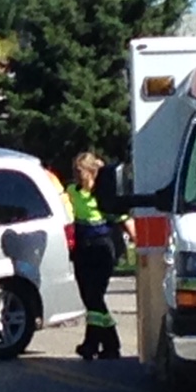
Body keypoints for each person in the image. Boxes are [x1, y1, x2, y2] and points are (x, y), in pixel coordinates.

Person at [66, 152, 134, 361]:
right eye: (75, 172)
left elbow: (124, 219)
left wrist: (138, 242)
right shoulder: (71, 191)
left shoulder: (104, 194)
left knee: (95, 297)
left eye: (80, 172)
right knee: (91, 299)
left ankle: (92, 344)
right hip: (82, 250)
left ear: (91, 172)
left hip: (102, 248)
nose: (77, 177)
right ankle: (109, 345)